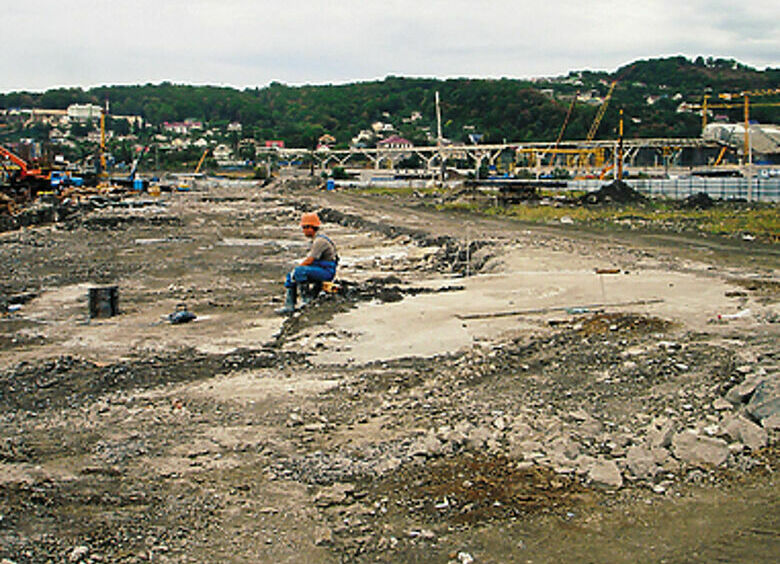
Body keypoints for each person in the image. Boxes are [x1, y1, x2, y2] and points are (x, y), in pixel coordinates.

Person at [277, 212, 338, 314]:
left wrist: (296, 270)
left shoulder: (320, 241)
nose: (303, 231)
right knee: (291, 275)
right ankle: (289, 306)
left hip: (326, 271)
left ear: (311, 227)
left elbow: (310, 260)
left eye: (304, 228)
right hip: (321, 269)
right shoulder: (316, 240)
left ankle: (306, 300)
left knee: (299, 272)